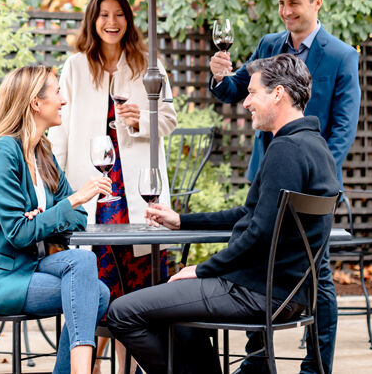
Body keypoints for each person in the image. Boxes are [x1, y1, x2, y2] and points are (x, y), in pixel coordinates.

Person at [106, 54, 340, 374]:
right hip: (291, 295)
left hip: (257, 293)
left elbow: (260, 234)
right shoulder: (316, 147)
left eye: (252, 92)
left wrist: (203, 269)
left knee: (122, 312)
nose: (245, 102)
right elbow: (251, 213)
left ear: (278, 93)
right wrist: (183, 220)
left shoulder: (286, 151)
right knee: (177, 309)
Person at [209, 0, 360, 373]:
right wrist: (219, 74)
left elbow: (344, 128)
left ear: (316, 2)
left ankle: (315, 368)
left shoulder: (342, 55)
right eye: (281, 3)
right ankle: (257, 362)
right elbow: (234, 90)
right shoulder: (269, 45)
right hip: (267, 176)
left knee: (318, 274)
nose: (286, 11)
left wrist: (313, 169)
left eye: (294, 3)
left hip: (312, 186)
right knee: (260, 257)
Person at [0, 65, 112, 374]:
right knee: (92, 291)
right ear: (36, 102)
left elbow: (78, 218)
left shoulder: (42, 152)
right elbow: (20, 233)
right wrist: (69, 202)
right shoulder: (3, 152)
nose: (63, 100)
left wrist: (47, 216)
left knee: (90, 277)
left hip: (22, 265)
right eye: (58, 92)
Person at [49, 0, 177, 368]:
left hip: (139, 188)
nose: (111, 22)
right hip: (94, 193)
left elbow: (169, 119)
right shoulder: (74, 67)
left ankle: (130, 368)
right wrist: (57, 192)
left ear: (128, 19)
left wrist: (142, 121)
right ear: (93, 20)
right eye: (104, 14)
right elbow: (59, 133)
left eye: (119, 14)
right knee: (97, 288)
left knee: (139, 288)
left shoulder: (148, 64)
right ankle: (84, 366)